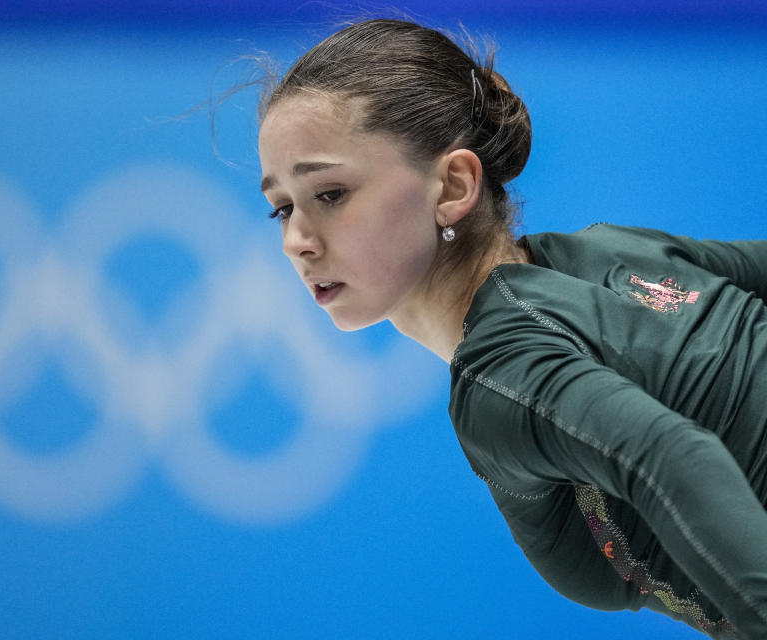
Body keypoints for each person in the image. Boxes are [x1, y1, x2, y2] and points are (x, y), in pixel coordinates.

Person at [255, 18, 767, 639]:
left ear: (452, 185)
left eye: (329, 193)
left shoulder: (502, 373)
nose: (296, 241)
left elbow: (670, 456)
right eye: (282, 207)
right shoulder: (611, 251)